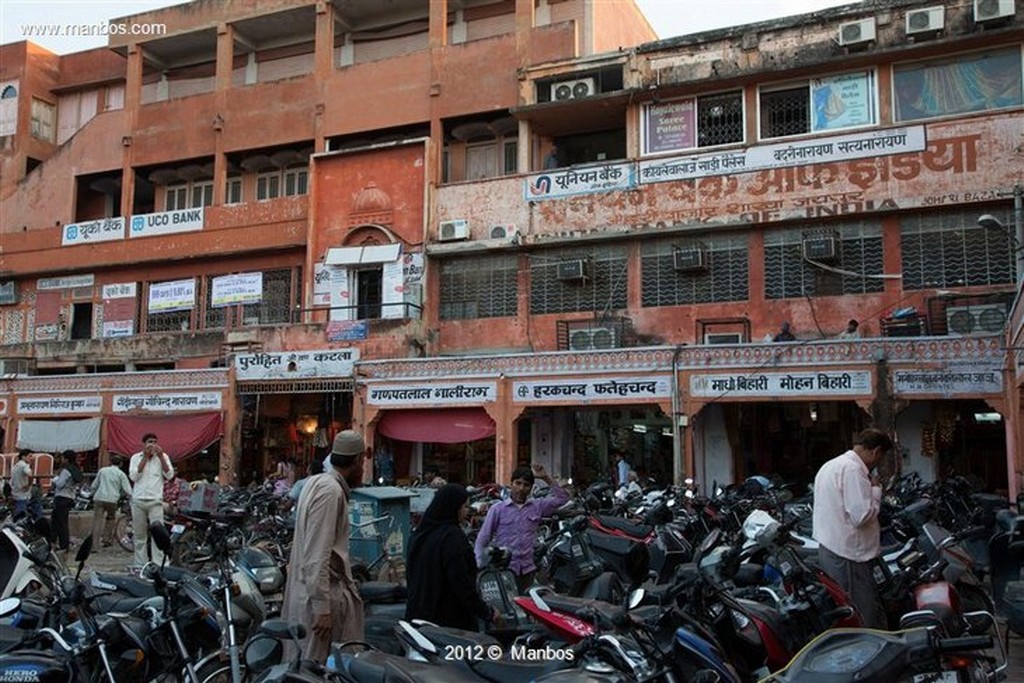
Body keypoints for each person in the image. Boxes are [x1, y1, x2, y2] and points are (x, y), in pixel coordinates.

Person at [281, 429, 366, 662]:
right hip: (317, 600)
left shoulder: (317, 483)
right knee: (316, 669)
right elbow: (318, 553)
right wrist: (322, 607)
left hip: (307, 592)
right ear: (358, 460)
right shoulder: (330, 491)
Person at [812, 427, 892, 629]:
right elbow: (861, 516)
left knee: (846, 606)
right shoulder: (853, 470)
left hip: (833, 547)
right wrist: (875, 490)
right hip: (849, 552)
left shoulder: (832, 465)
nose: (877, 462)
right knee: (860, 608)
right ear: (876, 452)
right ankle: (867, 650)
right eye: (879, 457)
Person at [406, 484, 501, 631]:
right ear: (452, 507)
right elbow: (462, 585)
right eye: (464, 507)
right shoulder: (453, 539)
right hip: (449, 624)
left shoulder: (419, 534)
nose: (466, 512)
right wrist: (487, 612)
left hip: (418, 618)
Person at [474, 463, 569, 594]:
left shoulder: (537, 506)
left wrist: (545, 477)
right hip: (504, 570)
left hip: (527, 569)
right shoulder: (498, 509)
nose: (521, 488)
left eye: (526, 485)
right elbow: (483, 539)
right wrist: (480, 564)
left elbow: (563, 498)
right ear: (511, 484)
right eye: (517, 483)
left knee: (525, 607)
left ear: (531, 488)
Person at [129, 433, 175, 568]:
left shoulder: (163, 456)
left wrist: (161, 457)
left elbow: (169, 475)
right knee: (139, 536)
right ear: (143, 444)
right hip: (138, 500)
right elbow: (134, 477)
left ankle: (160, 564)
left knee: (158, 535)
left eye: (155, 441)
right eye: (150, 442)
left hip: (155, 500)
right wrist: (145, 458)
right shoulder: (135, 458)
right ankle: (140, 565)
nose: (153, 444)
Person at [91, 454, 132, 547]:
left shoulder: (102, 471)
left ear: (110, 462)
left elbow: (94, 485)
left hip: (99, 497)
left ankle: (94, 544)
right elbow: (128, 490)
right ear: (120, 464)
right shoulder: (121, 474)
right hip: (112, 499)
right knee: (110, 519)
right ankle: (106, 540)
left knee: (97, 521)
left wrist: (92, 494)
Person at [51, 451, 77, 556]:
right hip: (69, 497)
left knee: (60, 523)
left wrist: (55, 479)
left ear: (66, 459)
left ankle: (63, 545)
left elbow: (60, 484)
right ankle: (57, 543)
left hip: (61, 497)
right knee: (59, 521)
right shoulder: (74, 469)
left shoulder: (66, 471)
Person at [10, 450, 42, 521]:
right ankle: (38, 521)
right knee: (22, 514)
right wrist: (29, 484)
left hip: (16, 492)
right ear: (23, 457)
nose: (31, 458)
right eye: (29, 456)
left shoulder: (16, 466)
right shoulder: (24, 465)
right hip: (23, 494)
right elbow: (30, 475)